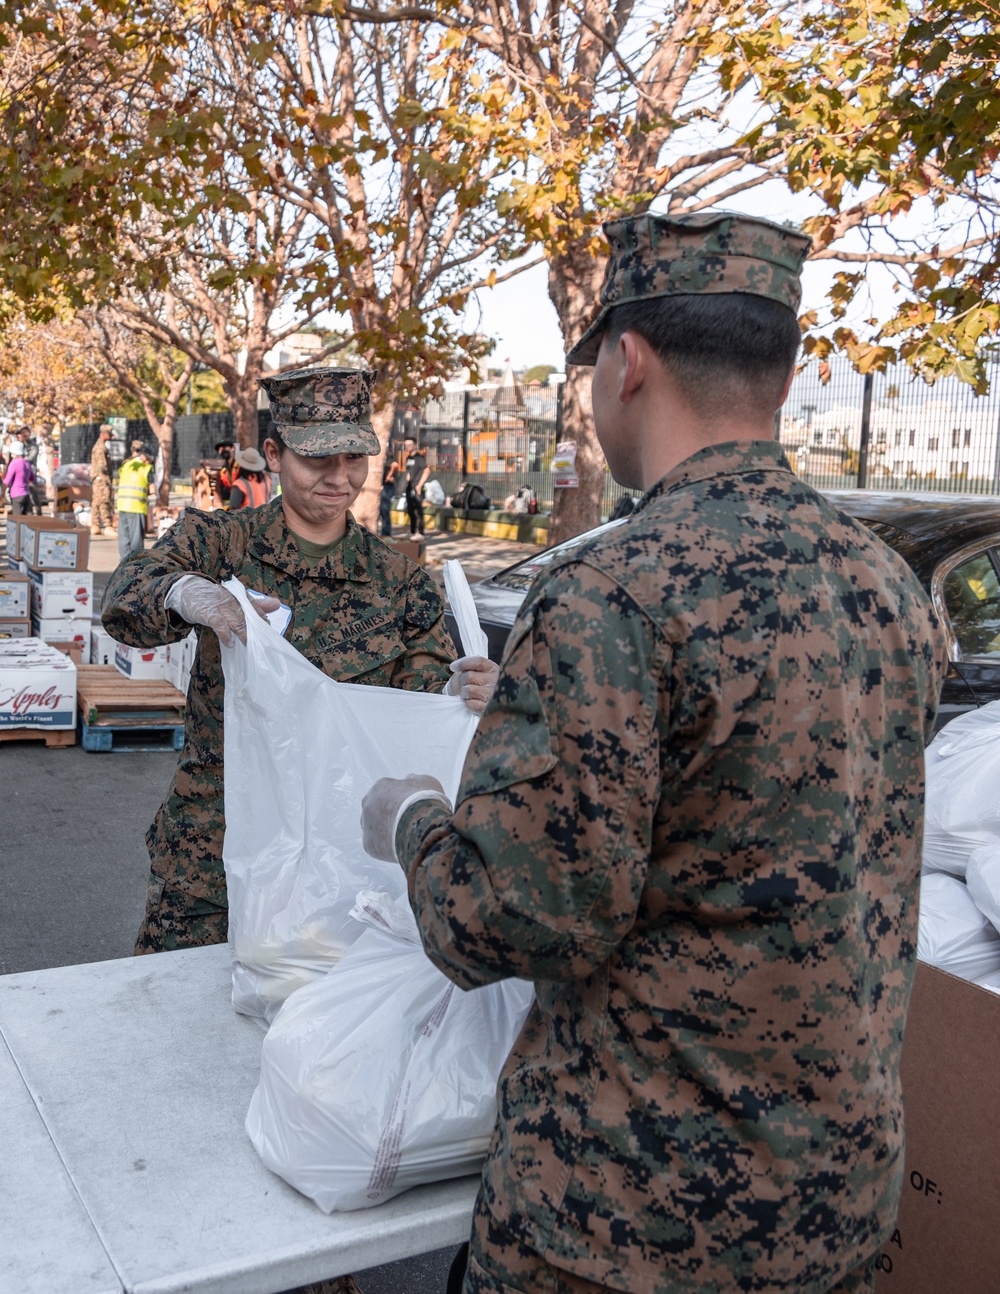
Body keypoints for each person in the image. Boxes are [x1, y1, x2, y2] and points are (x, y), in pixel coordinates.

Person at [361, 212, 948, 1294]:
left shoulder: (612, 592)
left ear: (627, 363)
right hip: (837, 1207)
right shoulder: (884, 582)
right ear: (779, 371)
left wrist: (410, 822)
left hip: (630, 1223)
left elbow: (512, 915)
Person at [102, 366, 499, 959]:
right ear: (274, 453)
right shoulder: (222, 542)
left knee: (304, 1029)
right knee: (171, 1022)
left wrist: (462, 698)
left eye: (354, 459)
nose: (339, 478)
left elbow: (414, 714)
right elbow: (125, 598)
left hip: (339, 855)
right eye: (319, 460)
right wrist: (189, 594)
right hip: (213, 845)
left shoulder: (399, 582)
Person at [116, 441, 154, 563]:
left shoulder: (125, 465)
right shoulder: (146, 468)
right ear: (145, 456)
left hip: (122, 505)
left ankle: (124, 562)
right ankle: (136, 563)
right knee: (136, 538)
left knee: (124, 537)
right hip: (136, 506)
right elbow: (152, 490)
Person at [90, 424, 117, 536]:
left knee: (96, 501)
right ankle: (107, 525)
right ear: (103, 434)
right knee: (104, 501)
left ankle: (95, 525)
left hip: (98, 478)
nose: (110, 436)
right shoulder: (101, 448)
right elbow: (102, 466)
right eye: (109, 434)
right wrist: (107, 479)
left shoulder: (99, 446)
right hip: (102, 479)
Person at [401, 435, 428, 536]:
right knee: (410, 510)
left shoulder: (419, 458)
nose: (407, 446)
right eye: (406, 444)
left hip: (417, 488)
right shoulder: (408, 458)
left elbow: (426, 471)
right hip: (410, 487)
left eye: (410, 444)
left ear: (415, 445)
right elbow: (408, 472)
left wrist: (420, 485)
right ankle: (412, 532)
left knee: (419, 510)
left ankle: (421, 532)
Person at [2, 441, 36, 515]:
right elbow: (32, 478)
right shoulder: (27, 463)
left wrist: (2, 493)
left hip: (16, 494)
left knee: (17, 519)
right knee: (26, 520)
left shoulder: (14, 463)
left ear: (14, 453)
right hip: (26, 494)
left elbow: (7, 480)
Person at [379, 450, 400, 536]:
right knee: (382, 511)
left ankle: (386, 532)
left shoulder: (388, 458)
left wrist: (388, 476)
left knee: (385, 510)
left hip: (387, 487)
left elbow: (395, 465)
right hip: (385, 486)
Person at [214, 439, 236, 507]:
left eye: (225, 447)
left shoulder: (239, 466)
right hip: (229, 509)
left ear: (232, 448)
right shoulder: (223, 471)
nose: (223, 451)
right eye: (220, 449)